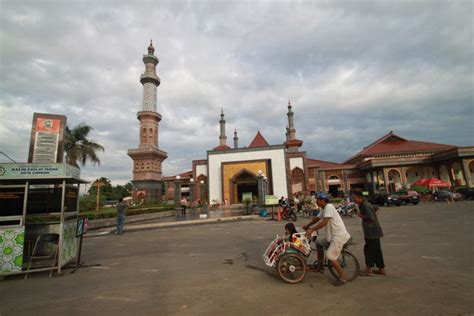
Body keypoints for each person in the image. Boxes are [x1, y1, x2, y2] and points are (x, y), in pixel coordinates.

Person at [306, 193, 351, 285]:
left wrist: (312, 229)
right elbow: (317, 218)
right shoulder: (324, 209)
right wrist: (307, 226)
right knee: (319, 243)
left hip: (339, 236)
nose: (317, 202)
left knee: (330, 256)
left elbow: (325, 221)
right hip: (332, 236)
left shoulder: (329, 207)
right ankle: (320, 266)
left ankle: (342, 277)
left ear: (323, 200)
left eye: (318, 200)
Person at [352, 188, 386, 276]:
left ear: (359, 197)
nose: (353, 200)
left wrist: (362, 216)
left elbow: (371, 217)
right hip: (375, 230)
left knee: (368, 250)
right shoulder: (365, 204)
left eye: (354, 198)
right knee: (377, 250)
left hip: (371, 231)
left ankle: (368, 269)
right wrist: (374, 216)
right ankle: (381, 269)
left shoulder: (365, 205)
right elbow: (377, 208)